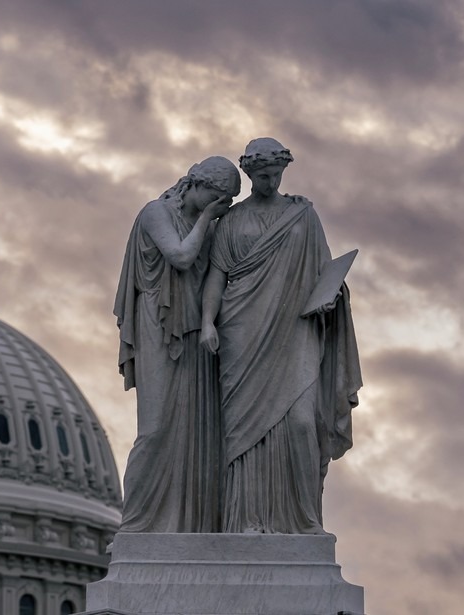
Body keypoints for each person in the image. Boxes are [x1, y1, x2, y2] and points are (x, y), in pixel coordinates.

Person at [201, 138, 361, 534]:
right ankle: (247, 520)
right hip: (242, 330)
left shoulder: (302, 216)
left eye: (274, 174)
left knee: (302, 423)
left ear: (284, 171)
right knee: (242, 432)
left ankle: (304, 521)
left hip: (295, 329)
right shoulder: (232, 221)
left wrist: (330, 297)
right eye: (261, 176)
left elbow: (325, 271)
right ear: (249, 175)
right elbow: (216, 277)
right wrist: (207, 322)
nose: (269, 181)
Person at [114, 156, 240, 533]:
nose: (224, 208)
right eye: (220, 199)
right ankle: (136, 525)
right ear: (197, 186)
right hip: (158, 322)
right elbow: (181, 257)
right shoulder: (157, 212)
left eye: (230, 203)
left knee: (194, 434)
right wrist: (207, 219)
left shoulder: (212, 229)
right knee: (155, 429)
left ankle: (189, 525)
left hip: (195, 334)